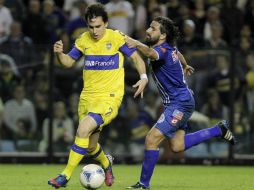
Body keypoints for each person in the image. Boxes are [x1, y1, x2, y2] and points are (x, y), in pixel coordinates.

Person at [125, 16, 236, 189]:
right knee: (177, 146)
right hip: (181, 101)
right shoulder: (170, 48)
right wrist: (185, 65)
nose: (148, 30)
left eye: (153, 28)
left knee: (151, 139)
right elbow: (178, 53)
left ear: (162, 36)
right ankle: (218, 130)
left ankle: (143, 184)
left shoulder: (160, 50)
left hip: (179, 103)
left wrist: (134, 42)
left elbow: (150, 53)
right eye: (149, 27)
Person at [48, 3, 148, 188]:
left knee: (82, 130)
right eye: (91, 27)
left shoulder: (116, 37)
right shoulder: (83, 39)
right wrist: (59, 54)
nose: (94, 31)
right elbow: (68, 62)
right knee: (90, 146)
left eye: (98, 26)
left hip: (109, 97)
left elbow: (136, 58)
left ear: (106, 23)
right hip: (87, 98)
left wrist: (143, 77)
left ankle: (65, 175)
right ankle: (106, 163)